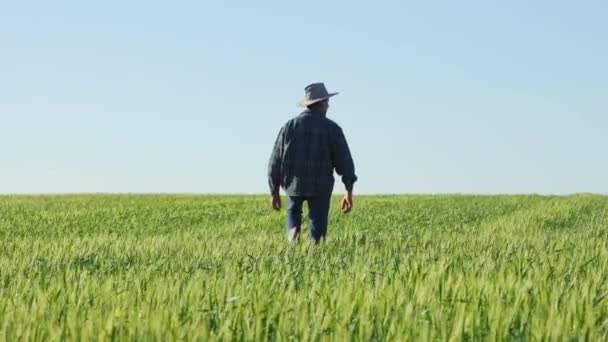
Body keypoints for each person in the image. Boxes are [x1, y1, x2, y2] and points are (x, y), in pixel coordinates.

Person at [268, 82, 358, 243]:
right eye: (327, 103)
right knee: (317, 226)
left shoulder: (289, 127)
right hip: (320, 186)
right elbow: (344, 161)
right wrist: (348, 190)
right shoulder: (332, 128)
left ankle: (292, 238)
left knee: (293, 213)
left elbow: (275, 160)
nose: (328, 106)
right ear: (321, 104)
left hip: (294, 184)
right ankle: (315, 250)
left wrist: (274, 192)